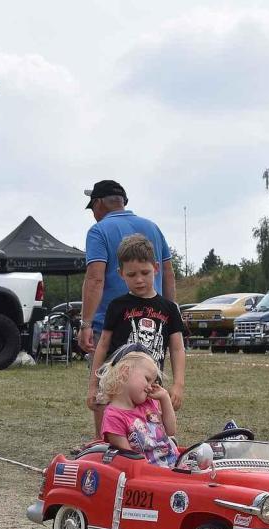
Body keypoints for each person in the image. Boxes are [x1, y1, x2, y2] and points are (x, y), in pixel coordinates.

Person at [87, 235, 186, 436]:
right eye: (131, 275)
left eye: (145, 272)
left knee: (151, 435)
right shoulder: (116, 306)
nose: (139, 279)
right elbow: (103, 345)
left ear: (156, 268)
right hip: (118, 387)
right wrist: (93, 385)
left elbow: (177, 348)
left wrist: (178, 384)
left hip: (150, 387)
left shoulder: (169, 309)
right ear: (120, 273)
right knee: (112, 432)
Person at [77, 179, 176, 357]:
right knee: (148, 382)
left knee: (110, 382)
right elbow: (168, 274)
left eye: (91, 208)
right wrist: (171, 318)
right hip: (154, 322)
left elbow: (95, 279)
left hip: (112, 326)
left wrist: (86, 324)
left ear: (98, 203)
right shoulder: (153, 227)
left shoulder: (98, 231)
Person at [97, 349, 178, 468]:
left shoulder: (148, 403)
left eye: (153, 382)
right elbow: (128, 459)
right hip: (148, 475)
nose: (150, 387)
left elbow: (170, 431)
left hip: (174, 463)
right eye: (147, 379)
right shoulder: (113, 417)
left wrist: (165, 398)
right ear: (125, 372)